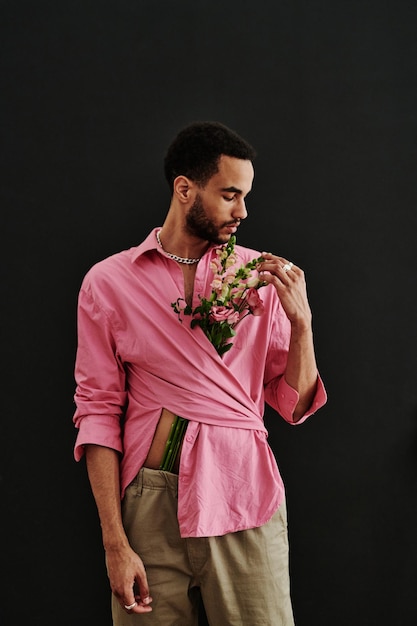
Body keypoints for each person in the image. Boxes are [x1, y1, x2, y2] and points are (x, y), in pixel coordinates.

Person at [72, 121, 327, 626]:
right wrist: (115, 544)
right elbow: (98, 411)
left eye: (246, 195)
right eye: (229, 194)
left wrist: (302, 324)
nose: (243, 211)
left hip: (242, 492)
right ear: (184, 188)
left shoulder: (260, 276)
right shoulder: (109, 282)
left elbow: (294, 406)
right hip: (150, 499)